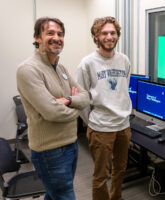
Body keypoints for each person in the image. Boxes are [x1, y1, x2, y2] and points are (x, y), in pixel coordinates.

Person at [16, 17, 89, 200]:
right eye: (50, 33)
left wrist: (67, 100)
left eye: (60, 34)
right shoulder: (28, 69)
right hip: (50, 151)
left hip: (71, 144)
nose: (56, 37)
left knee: (54, 194)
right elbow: (52, 111)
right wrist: (76, 106)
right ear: (37, 37)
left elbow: (86, 97)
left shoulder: (61, 67)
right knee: (64, 196)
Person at [76, 16, 132, 200]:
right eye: (104, 33)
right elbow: (81, 99)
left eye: (113, 33)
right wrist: (92, 122)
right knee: (101, 176)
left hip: (123, 126)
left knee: (120, 170)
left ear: (117, 35)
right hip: (101, 128)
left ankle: (116, 197)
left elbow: (123, 91)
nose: (109, 36)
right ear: (96, 36)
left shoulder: (124, 60)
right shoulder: (87, 63)